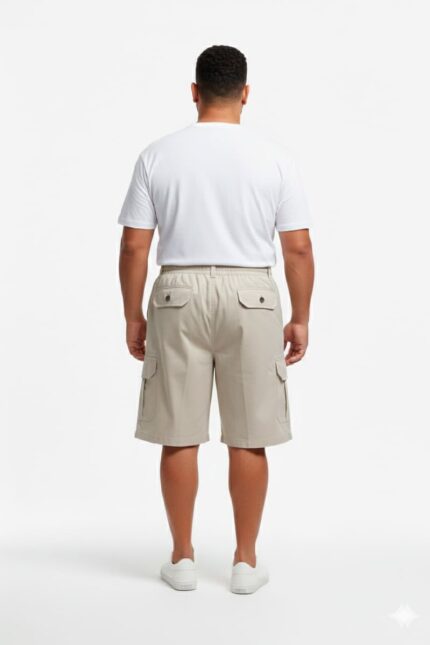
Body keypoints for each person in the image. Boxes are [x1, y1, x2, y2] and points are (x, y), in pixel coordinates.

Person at [117, 44, 315, 594]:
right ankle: (245, 563)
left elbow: (134, 246)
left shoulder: (158, 155)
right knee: (249, 435)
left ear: (194, 92)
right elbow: (297, 248)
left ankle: (181, 558)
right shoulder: (275, 158)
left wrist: (133, 315)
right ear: (245, 93)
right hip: (253, 295)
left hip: (176, 294)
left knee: (177, 433)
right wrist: (300, 317)